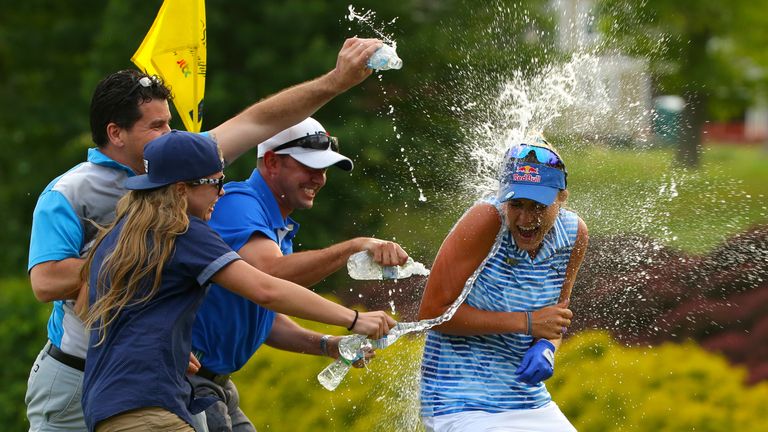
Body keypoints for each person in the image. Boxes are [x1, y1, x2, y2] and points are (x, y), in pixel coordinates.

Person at [25, 37, 384, 431]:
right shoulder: (74, 192)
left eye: (169, 122)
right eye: (157, 126)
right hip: (76, 371)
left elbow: (260, 121)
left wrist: (336, 80)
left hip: (158, 380)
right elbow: (45, 282)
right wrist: (145, 252)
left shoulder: (184, 162)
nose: (169, 132)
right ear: (116, 133)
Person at [80, 131, 395, 431]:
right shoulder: (184, 232)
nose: (222, 193)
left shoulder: (121, 234)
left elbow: (92, 307)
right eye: (215, 183)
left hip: (112, 402)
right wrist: (354, 319)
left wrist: (166, 345)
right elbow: (265, 289)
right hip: (151, 406)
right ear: (181, 190)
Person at [189, 117, 409, 431]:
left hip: (218, 384)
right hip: (188, 382)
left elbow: (265, 319)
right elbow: (269, 278)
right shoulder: (238, 204)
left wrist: (328, 345)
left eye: (324, 169)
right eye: (309, 167)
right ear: (271, 162)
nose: (319, 179)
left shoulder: (276, 227)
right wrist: (354, 251)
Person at [417, 137, 589, 432]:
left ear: (561, 199)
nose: (525, 218)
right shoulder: (486, 220)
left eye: (538, 206)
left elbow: (552, 322)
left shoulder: (574, 234)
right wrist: (526, 323)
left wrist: (546, 346)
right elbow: (432, 313)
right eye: (516, 204)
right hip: (458, 400)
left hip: (527, 400)